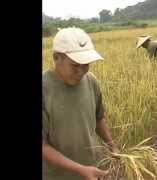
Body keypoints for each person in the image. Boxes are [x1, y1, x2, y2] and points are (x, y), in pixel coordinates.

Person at [42, 27, 120, 180]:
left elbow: (98, 119)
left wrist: (113, 146)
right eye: (75, 65)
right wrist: (80, 169)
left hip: (93, 168)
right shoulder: (44, 88)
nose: (81, 71)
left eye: (86, 64)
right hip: (57, 175)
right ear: (56, 58)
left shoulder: (91, 81)